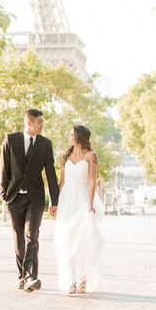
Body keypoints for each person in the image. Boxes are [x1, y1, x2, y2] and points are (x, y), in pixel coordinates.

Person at [0, 108, 59, 292]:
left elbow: (50, 173)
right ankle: (22, 277)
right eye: (40, 122)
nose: (43, 125)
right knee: (19, 239)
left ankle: (31, 277)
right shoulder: (11, 139)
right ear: (29, 123)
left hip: (35, 198)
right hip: (14, 197)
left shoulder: (45, 144)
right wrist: (4, 194)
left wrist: (54, 201)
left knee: (32, 236)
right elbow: (4, 168)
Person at [54, 124, 106, 295]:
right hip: (67, 200)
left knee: (83, 239)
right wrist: (54, 202)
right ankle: (70, 280)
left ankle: (83, 277)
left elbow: (92, 181)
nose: (69, 137)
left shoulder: (91, 156)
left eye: (72, 135)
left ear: (80, 136)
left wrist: (90, 203)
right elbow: (61, 182)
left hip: (83, 199)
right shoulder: (65, 156)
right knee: (66, 239)